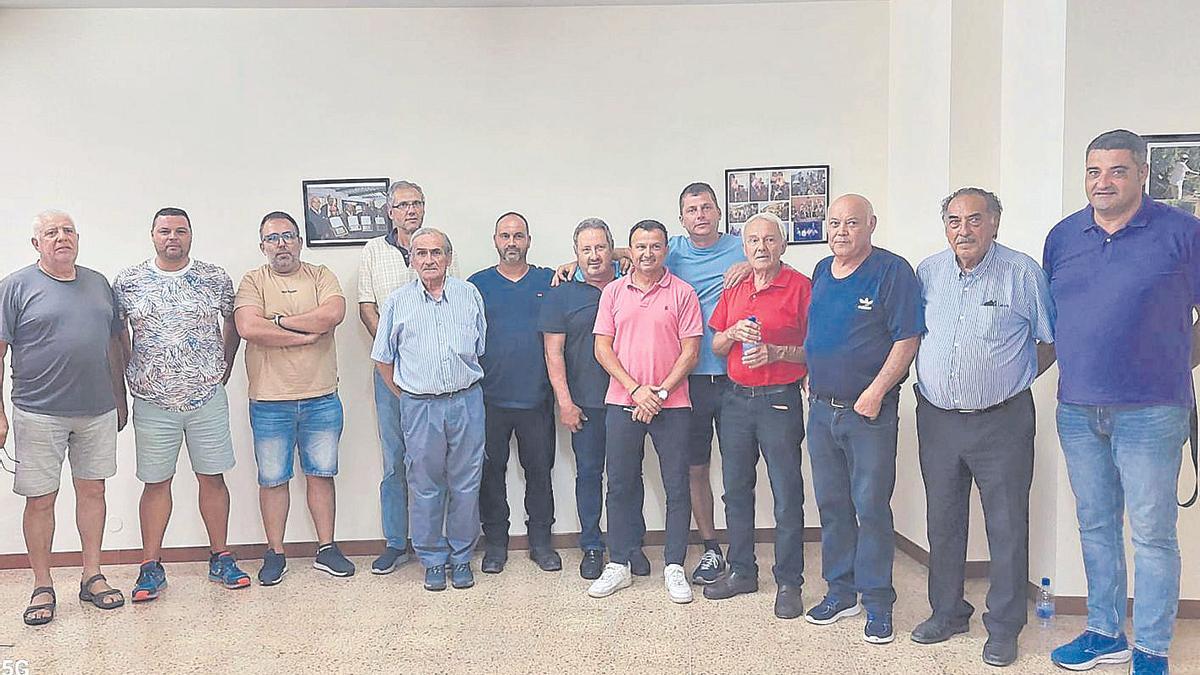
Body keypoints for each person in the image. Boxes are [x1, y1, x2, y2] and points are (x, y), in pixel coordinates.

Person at [1043, 129, 1200, 675]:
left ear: (1142, 174)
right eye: (1093, 171)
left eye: (1116, 171)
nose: (1102, 182)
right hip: (1078, 409)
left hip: (1153, 411)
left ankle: (1152, 648)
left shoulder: (1184, 233)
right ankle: (1104, 631)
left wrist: (1176, 363)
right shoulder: (1063, 236)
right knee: (1096, 524)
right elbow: (1055, 323)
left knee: (1152, 533)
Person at [911, 188, 1055, 667]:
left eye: (975, 220)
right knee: (943, 522)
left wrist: (1006, 383)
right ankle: (948, 612)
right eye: (954, 220)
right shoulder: (927, 273)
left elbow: (1048, 340)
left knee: (1008, 526)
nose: (963, 230)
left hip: (1003, 423)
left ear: (995, 222)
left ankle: (1004, 626)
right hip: (937, 420)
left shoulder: (1022, 272)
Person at [803, 194, 924, 644]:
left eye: (851, 223)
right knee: (832, 505)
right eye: (834, 223)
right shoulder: (820, 271)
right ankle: (841, 591)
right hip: (822, 411)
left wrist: (875, 392)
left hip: (868, 411)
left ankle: (877, 602)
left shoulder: (892, 271)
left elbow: (907, 337)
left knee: (870, 507)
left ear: (871, 224)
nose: (841, 232)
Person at [113, 207, 250, 602]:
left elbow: (234, 323)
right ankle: (150, 566)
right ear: (152, 235)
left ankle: (220, 556)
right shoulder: (129, 281)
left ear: (191, 235)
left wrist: (220, 367)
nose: (173, 237)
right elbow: (119, 332)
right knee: (155, 482)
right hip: (153, 401)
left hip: (206, 397)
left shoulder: (214, 278)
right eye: (165, 231)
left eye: (181, 230)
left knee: (213, 477)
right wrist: (133, 371)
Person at [0, 210, 128, 625]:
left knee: (94, 493)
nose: (61, 237)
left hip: (96, 411)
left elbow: (113, 342)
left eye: (68, 231)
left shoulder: (98, 283)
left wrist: (119, 395)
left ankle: (92, 576)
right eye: (51, 232)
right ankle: (42, 584)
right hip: (37, 412)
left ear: (78, 238)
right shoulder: (15, 287)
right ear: (36, 243)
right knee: (41, 500)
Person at [233, 210, 353, 585]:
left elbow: (331, 315)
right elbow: (249, 327)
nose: (281, 244)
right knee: (272, 479)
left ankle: (327, 548)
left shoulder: (321, 275)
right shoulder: (253, 280)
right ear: (262, 246)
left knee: (321, 474)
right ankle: (275, 553)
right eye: (272, 238)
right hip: (269, 401)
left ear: (299, 241)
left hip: (320, 397)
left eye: (287, 236)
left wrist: (279, 321)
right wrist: (302, 335)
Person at [586, 220, 702, 605]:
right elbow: (603, 348)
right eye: (640, 247)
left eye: (655, 246)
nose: (647, 254)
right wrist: (636, 390)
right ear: (629, 251)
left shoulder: (683, 293)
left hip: (673, 403)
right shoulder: (614, 293)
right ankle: (618, 563)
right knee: (619, 483)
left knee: (676, 486)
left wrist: (661, 391)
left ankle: (674, 565)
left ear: (666, 249)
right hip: (623, 401)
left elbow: (690, 351)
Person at [705, 212, 811, 620]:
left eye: (769, 240)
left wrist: (777, 352)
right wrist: (731, 333)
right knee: (736, 490)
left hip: (779, 400)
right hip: (735, 401)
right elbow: (714, 345)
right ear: (744, 247)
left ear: (782, 245)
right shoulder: (736, 285)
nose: (761, 248)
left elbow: (814, 351)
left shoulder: (801, 287)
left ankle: (789, 582)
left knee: (786, 494)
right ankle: (742, 571)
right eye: (753, 241)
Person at [371, 227, 487, 592]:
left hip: (466, 400)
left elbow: (479, 346)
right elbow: (383, 361)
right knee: (424, 485)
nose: (429, 260)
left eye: (437, 252)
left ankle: (462, 556)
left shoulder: (469, 295)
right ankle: (433, 559)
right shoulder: (397, 302)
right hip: (420, 406)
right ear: (411, 260)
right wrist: (408, 396)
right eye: (421, 253)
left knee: (467, 483)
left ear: (448, 258)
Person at [357, 179, 460, 575]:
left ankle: (445, 541)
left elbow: (455, 301)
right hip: (391, 373)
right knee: (395, 460)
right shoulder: (373, 251)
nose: (410, 211)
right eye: (402, 205)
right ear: (389, 211)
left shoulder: (441, 246)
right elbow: (367, 306)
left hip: (437, 378)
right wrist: (393, 356)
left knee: (439, 461)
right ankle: (397, 542)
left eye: (417, 203)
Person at [540, 218, 646, 580]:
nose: (594, 255)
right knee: (589, 475)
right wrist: (565, 404)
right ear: (576, 254)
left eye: (601, 247)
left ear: (612, 251)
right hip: (585, 404)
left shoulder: (633, 284)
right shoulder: (561, 296)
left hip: (629, 400)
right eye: (586, 249)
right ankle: (591, 545)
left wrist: (621, 254)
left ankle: (631, 545)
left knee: (628, 476)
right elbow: (553, 355)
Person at [468, 212, 559, 574]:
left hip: (537, 398)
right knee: (490, 475)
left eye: (518, 236)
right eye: (505, 236)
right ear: (495, 241)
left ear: (528, 240)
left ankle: (541, 543)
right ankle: (495, 545)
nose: (511, 242)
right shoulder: (477, 285)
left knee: (540, 472)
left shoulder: (549, 280)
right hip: (489, 399)